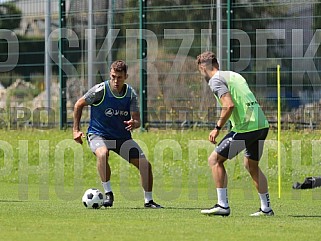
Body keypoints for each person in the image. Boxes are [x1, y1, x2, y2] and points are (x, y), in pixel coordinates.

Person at [73, 60, 163, 209]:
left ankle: (149, 201)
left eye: (119, 77)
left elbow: (137, 120)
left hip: (121, 138)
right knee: (102, 154)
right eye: (113, 76)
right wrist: (75, 130)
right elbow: (78, 104)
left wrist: (134, 123)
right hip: (98, 134)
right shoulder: (100, 90)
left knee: (145, 165)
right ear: (110, 74)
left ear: (126, 76)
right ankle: (108, 194)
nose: (116, 80)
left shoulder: (130, 94)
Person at [196, 51, 274, 217]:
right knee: (251, 165)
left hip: (246, 127)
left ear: (203, 67)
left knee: (215, 160)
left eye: (200, 70)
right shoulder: (232, 75)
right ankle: (266, 208)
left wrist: (217, 127)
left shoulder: (215, 80)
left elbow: (229, 105)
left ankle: (222, 205)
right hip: (261, 125)